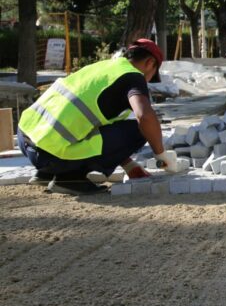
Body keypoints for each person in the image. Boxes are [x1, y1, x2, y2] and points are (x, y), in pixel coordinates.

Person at [17, 39, 177, 195]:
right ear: (150, 63)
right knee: (140, 130)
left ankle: (46, 173)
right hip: (51, 154)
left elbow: (96, 125)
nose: (148, 81)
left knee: (122, 125)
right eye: (152, 76)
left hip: (26, 139)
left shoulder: (103, 67)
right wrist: (161, 156)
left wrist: (128, 164)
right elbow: (145, 117)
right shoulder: (133, 76)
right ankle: (69, 178)